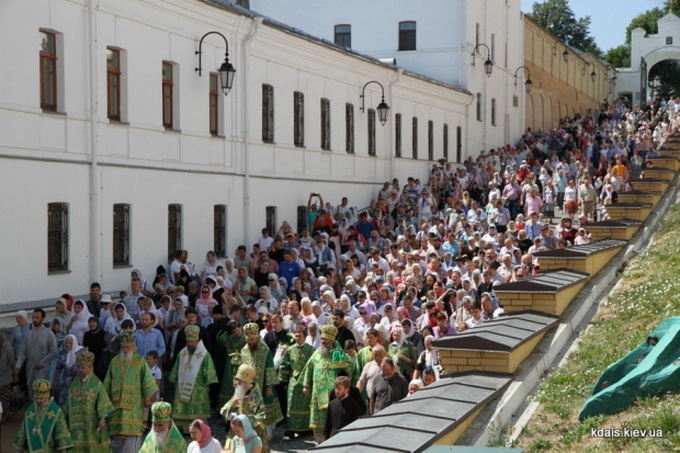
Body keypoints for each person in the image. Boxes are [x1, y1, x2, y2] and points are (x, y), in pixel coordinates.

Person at [103, 331, 159, 453]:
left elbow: (148, 381)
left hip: (134, 406)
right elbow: (107, 383)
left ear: (133, 347)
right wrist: (104, 402)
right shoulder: (115, 361)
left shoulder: (140, 361)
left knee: (133, 437)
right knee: (117, 440)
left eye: (127, 347)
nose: (124, 349)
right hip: (117, 407)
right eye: (123, 347)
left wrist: (148, 398)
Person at [300, 324, 353, 443]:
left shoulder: (338, 353)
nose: (323, 341)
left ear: (332, 340)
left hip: (333, 394)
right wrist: (306, 385)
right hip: (317, 394)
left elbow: (350, 367)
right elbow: (309, 367)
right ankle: (319, 440)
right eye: (322, 338)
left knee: (332, 418)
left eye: (325, 339)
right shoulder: (317, 353)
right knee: (318, 421)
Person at [62, 350, 115, 453]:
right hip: (75, 427)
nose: (80, 370)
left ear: (90, 368)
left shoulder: (97, 384)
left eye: (83, 368)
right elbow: (68, 403)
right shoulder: (74, 384)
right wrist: (62, 417)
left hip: (92, 427)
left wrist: (102, 419)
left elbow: (103, 403)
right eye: (79, 367)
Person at [238, 322, 283, 439]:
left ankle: (267, 432)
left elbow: (270, 367)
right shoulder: (244, 350)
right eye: (249, 340)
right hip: (249, 386)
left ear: (257, 338)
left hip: (264, 386)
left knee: (266, 407)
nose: (252, 342)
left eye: (253, 339)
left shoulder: (264, 349)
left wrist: (269, 386)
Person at [169, 325, 218, 431]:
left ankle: (198, 428)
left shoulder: (205, 355)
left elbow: (209, 372)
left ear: (198, 340)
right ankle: (183, 428)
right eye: (188, 342)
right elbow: (176, 369)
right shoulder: (182, 353)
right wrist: (173, 380)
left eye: (192, 342)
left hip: (198, 387)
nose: (190, 344)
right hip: (182, 386)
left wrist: (208, 385)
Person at [13, 379, 73, 453]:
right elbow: (23, 431)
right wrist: (21, 449)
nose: (38, 401)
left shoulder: (56, 411)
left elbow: (61, 432)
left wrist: (63, 450)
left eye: (41, 398)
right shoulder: (30, 411)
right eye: (36, 398)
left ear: (47, 397)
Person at [220, 365, 268, 453]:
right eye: (236, 379)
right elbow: (223, 411)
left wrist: (243, 422)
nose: (236, 383)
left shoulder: (257, 398)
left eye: (239, 380)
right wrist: (231, 405)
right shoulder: (238, 393)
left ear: (247, 382)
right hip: (234, 435)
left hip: (250, 437)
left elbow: (261, 419)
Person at [277, 325, 315, 438]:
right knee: (292, 404)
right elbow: (284, 365)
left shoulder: (311, 350)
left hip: (305, 380)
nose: (297, 338)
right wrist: (283, 381)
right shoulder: (289, 350)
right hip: (293, 381)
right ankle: (292, 427)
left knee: (305, 404)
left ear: (305, 336)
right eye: (296, 336)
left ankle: (305, 428)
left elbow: (313, 366)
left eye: (299, 336)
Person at [14, 309, 58, 398]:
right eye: (33, 317)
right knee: (31, 390)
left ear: (43, 318)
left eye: (37, 317)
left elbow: (53, 352)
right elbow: (23, 352)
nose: (34, 319)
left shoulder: (49, 333)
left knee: (42, 391)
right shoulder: (28, 334)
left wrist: (42, 363)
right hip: (30, 366)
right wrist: (18, 366)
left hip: (43, 368)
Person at [324, 376, 362, 440]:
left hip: (348, 438)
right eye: (335, 388)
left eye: (339, 388)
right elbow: (328, 424)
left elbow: (357, 425)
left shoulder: (354, 405)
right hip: (333, 438)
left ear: (346, 389)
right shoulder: (332, 404)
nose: (336, 391)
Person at [54, 334, 83, 406]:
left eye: (70, 343)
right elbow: (58, 368)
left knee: (76, 399)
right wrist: (56, 380)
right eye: (66, 343)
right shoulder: (62, 353)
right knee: (63, 399)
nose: (67, 345)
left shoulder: (81, 352)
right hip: (65, 380)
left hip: (78, 379)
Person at [0, 331, 16, 422]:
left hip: (5, 378)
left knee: (5, 399)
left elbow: (12, 363)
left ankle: (5, 415)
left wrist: (15, 376)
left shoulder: (7, 348)